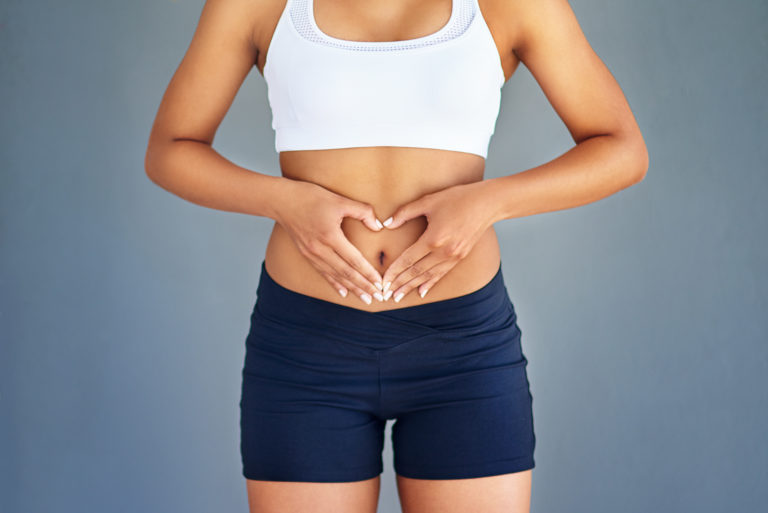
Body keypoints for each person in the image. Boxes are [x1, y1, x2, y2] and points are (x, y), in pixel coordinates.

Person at [144, 0, 648, 511]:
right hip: (307, 348)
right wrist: (286, 201)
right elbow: (170, 148)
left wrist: (488, 201)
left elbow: (621, 147)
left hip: (462, 349)